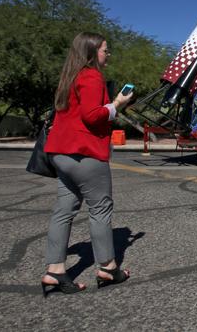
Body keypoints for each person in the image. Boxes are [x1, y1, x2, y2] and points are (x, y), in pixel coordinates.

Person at [41, 32, 133, 296]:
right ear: (92, 52)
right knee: (100, 209)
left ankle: (55, 271)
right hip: (85, 154)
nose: (108, 54)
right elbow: (93, 117)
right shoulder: (91, 76)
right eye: (105, 50)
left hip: (60, 153)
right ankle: (107, 267)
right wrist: (117, 104)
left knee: (64, 210)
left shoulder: (69, 77)